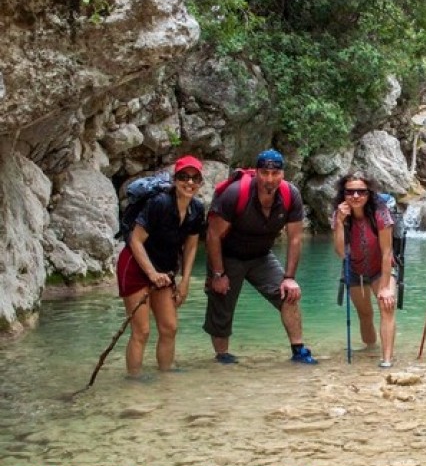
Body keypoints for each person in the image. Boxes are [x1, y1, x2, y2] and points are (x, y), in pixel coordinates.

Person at [204, 149, 316, 364]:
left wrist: (289, 277)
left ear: (283, 174)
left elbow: (294, 239)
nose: (269, 179)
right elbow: (213, 235)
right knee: (222, 304)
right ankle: (222, 357)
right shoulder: (235, 194)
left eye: (275, 174)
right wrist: (218, 273)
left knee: (289, 295)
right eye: (264, 173)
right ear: (256, 173)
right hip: (228, 255)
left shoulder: (290, 195)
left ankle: (298, 350)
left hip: (261, 256)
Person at [116, 155, 206, 376]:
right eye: (184, 177)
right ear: (176, 179)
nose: (190, 183)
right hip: (136, 265)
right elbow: (135, 241)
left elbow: (191, 246)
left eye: (195, 178)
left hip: (164, 271)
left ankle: (166, 376)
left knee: (169, 328)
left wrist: (185, 281)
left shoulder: (196, 209)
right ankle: (134, 381)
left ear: (201, 182)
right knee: (142, 331)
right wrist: (151, 273)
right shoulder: (160, 204)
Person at [331, 173, 398, 368]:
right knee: (365, 314)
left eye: (361, 191)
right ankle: (370, 350)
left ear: (369, 194)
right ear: (343, 194)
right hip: (354, 269)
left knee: (386, 306)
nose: (356, 196)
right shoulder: (339, 214)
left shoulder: (380, 213)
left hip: (381, 268)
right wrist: (340, 223)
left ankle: (386, 359)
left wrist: (385, 286)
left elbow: (387, 252)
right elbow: (341, 252)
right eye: (350, 192)